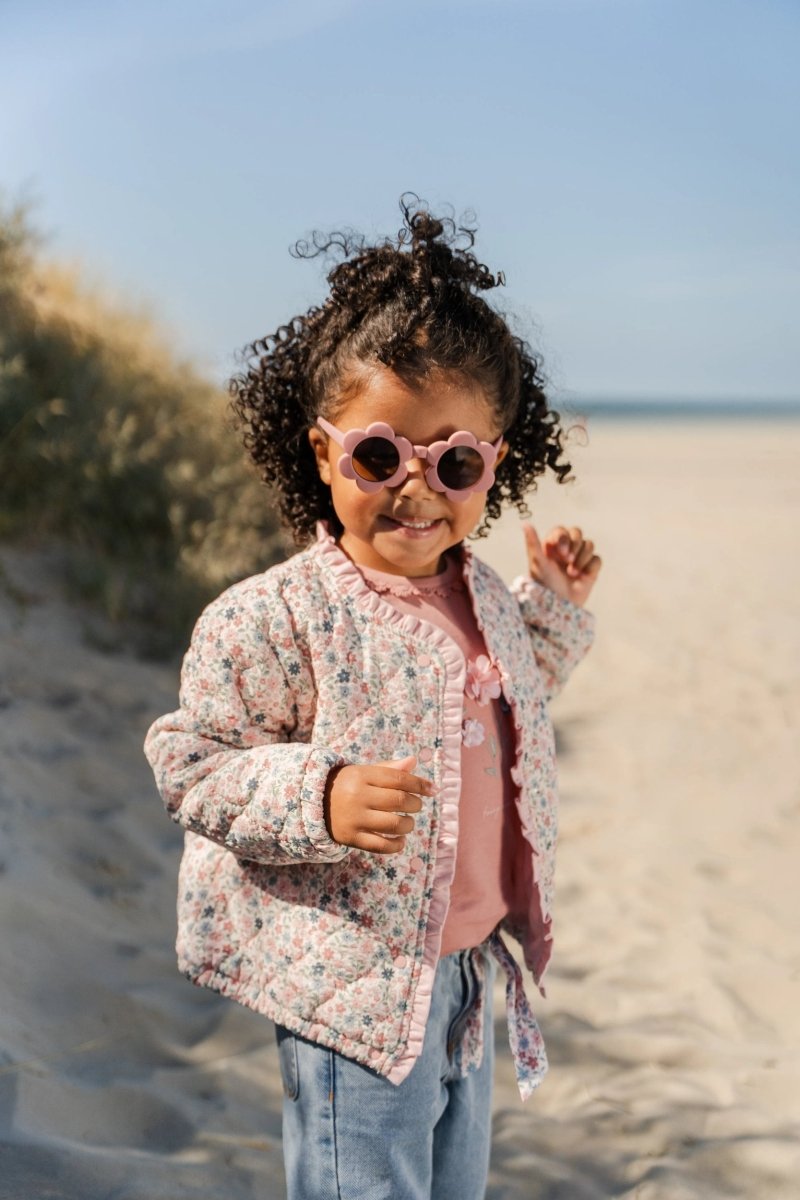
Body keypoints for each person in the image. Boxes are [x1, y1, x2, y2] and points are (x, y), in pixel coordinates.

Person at [144, 196, 602, 1200]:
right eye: (381, 455)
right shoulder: (277, 615)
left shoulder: (480, 595)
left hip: (468, 974)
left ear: (495, 465)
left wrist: (553, 608)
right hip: (353, 988)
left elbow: (509, 694)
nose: (417, 489)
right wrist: (320, 795)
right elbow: (191, 761)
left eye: (455, 462)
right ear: (323, 452)